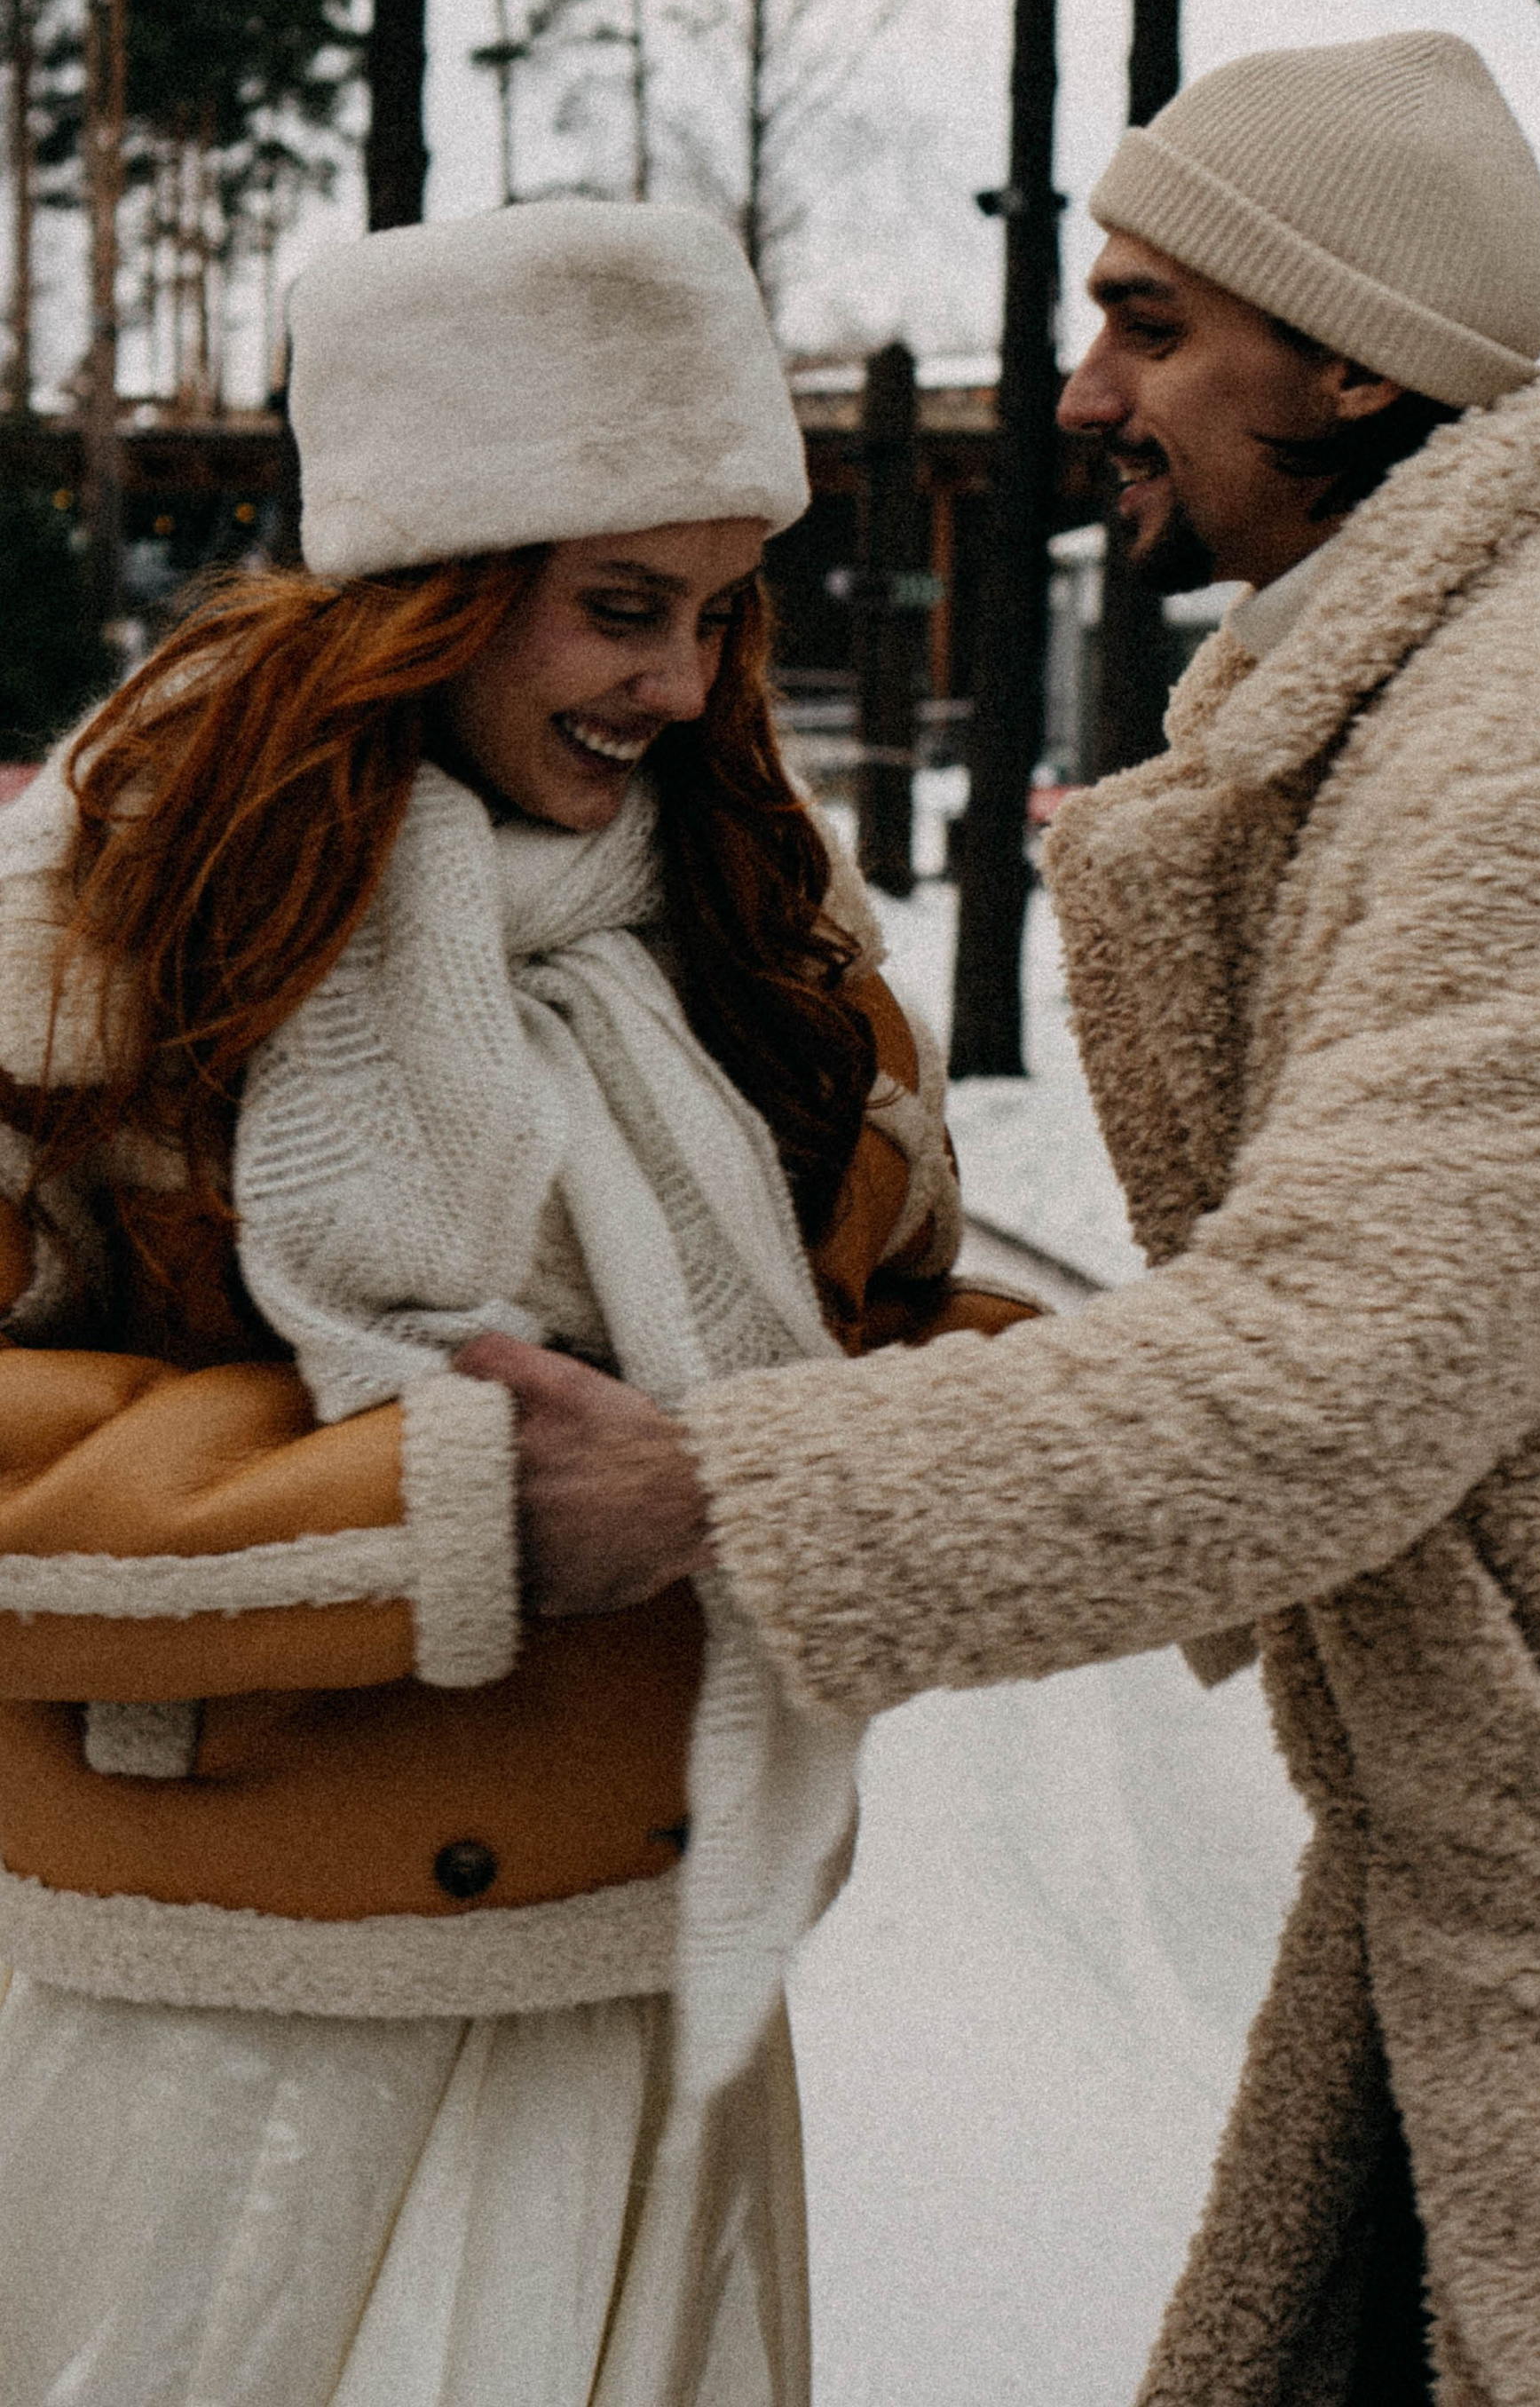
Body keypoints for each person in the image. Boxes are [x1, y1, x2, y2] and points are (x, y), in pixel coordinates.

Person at [470, 30, 1540, 2405]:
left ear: (1354, 356)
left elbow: (1328, 1372)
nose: (1088, 395)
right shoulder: (1451, 707)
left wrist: (702, 1488)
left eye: (1151, 325)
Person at [0, 200, 1031, 2407]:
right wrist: (434, 1512)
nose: (678, 684)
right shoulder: (104, 913)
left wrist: (1134, 1427)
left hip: (650, 1992)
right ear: (418, 596)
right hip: (231, 2038)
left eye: (722, 615)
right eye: (617, 611)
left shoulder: (766, 918)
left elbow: (882, 1310)